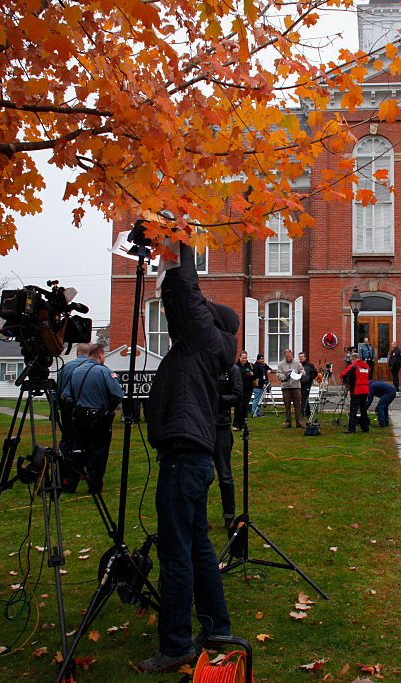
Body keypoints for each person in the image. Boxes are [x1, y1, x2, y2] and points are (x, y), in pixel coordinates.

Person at [140, 241, 234, 674]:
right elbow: (182, 302)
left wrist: (180, 239)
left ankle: (176, 643)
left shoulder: (203, 339)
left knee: (176, 552)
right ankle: (216, 628)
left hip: (184, 458)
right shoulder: (204, 348)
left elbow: (189, 295)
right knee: (197, 547)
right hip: (192, 457)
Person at [66, 343, 124, 492]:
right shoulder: (103, 372)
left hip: (79, 417)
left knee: (78, 451)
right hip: (98, 418)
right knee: (98, 451)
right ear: (101, 355)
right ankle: (94, 485)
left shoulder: (76, 372)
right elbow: (117, 394)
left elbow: (69, 394)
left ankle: (70, 483)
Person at [215, 361, 242, 533]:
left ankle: (229, 515)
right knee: (201, 474)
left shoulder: (231, 369)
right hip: (201, 425)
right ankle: (197, 515)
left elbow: (237, 395)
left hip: (221, 426)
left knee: (224, 474)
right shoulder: (203, 364)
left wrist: (217, 400)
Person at [340, 352, 371, 433]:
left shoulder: (354, 366)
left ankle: (351, 428)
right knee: (363, 409)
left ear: (353, 359)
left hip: (356, 389)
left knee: (353, 409)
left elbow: (343, 374)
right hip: (365, 389)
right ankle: (365, 428)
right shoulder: (366, 366)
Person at [276, 348, 305, 428]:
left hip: (296, 386)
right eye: (287, 357)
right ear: (285, 356)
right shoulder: (281, 364)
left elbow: (302, 370)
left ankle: (299, 421)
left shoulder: (297, 363)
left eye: (289, 356)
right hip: (286, 387)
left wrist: (302, 372)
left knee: (297, 405)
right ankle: (288, 422)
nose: (288, 358)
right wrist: (284, 377)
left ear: (291, 355)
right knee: (287, 405)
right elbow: (278, 374)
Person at [233, 352, 253, 429]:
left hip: (248, 389)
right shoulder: (236, 366)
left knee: (245, 407)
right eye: (243, 358)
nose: (245, 360)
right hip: (238, 389)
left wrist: (252, 374)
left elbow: (254, 375)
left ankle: (244, 424)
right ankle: (236, 424)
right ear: (240, 357)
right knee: (238, 407)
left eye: (246, 358)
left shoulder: (249, 365)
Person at [299, 351, 319, 419]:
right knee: (304, 398)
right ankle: (308, 413)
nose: (301, 358)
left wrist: (309, 378)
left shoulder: (310, 365)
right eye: (300, 357)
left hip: (307, 384)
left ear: (305, 357)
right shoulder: (298, 365)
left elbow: (315, 373)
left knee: (304, 397)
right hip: (299, 384)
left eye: (302, 357)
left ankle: (301, 413)